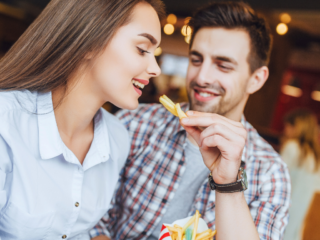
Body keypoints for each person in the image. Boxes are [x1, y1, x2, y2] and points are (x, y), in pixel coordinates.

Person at [91, 2, 290, 240]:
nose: (202, 77)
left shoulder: (270, 172)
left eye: (223, 65)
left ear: (256, 79)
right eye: (196, 60)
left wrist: (228, 184)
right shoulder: (133, 124)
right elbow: (92, 218)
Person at [0, 0, 165, 239]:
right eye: (142, 49)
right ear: (90, 41)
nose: (156, 69)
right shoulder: (6, 122)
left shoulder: (117, 137)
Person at [281, 110, 320, 240]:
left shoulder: (292, 147)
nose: (285, 130)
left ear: (296, 127)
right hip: (303, 212)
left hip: (285, 208)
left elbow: (279, 178)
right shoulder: (315, 156)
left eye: (287, 126)